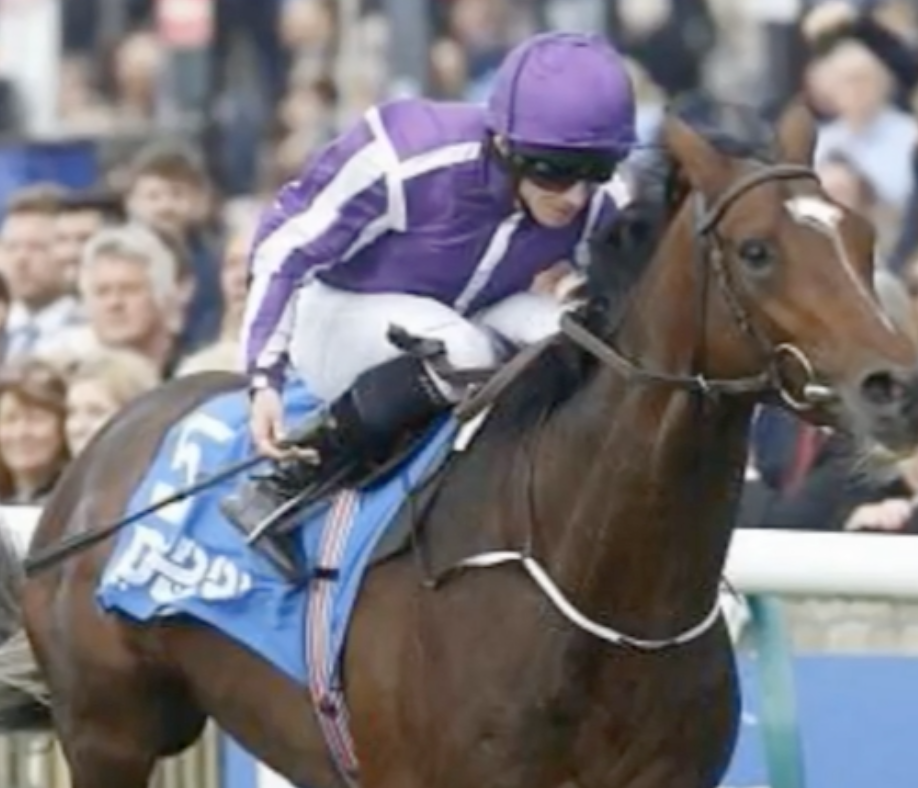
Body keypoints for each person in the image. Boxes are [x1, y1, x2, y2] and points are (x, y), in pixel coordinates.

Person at [221, 30, 637, 578]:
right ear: (504, 144)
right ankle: (285, 483)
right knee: (461, 351)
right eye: (553, 170)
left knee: (574, 339)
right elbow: (284, 246)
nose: (576, 197)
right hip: (341, 311)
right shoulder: (404, 156)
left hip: (469, 311)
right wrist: (263, 379)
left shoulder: (601, 201)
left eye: (596, 171)